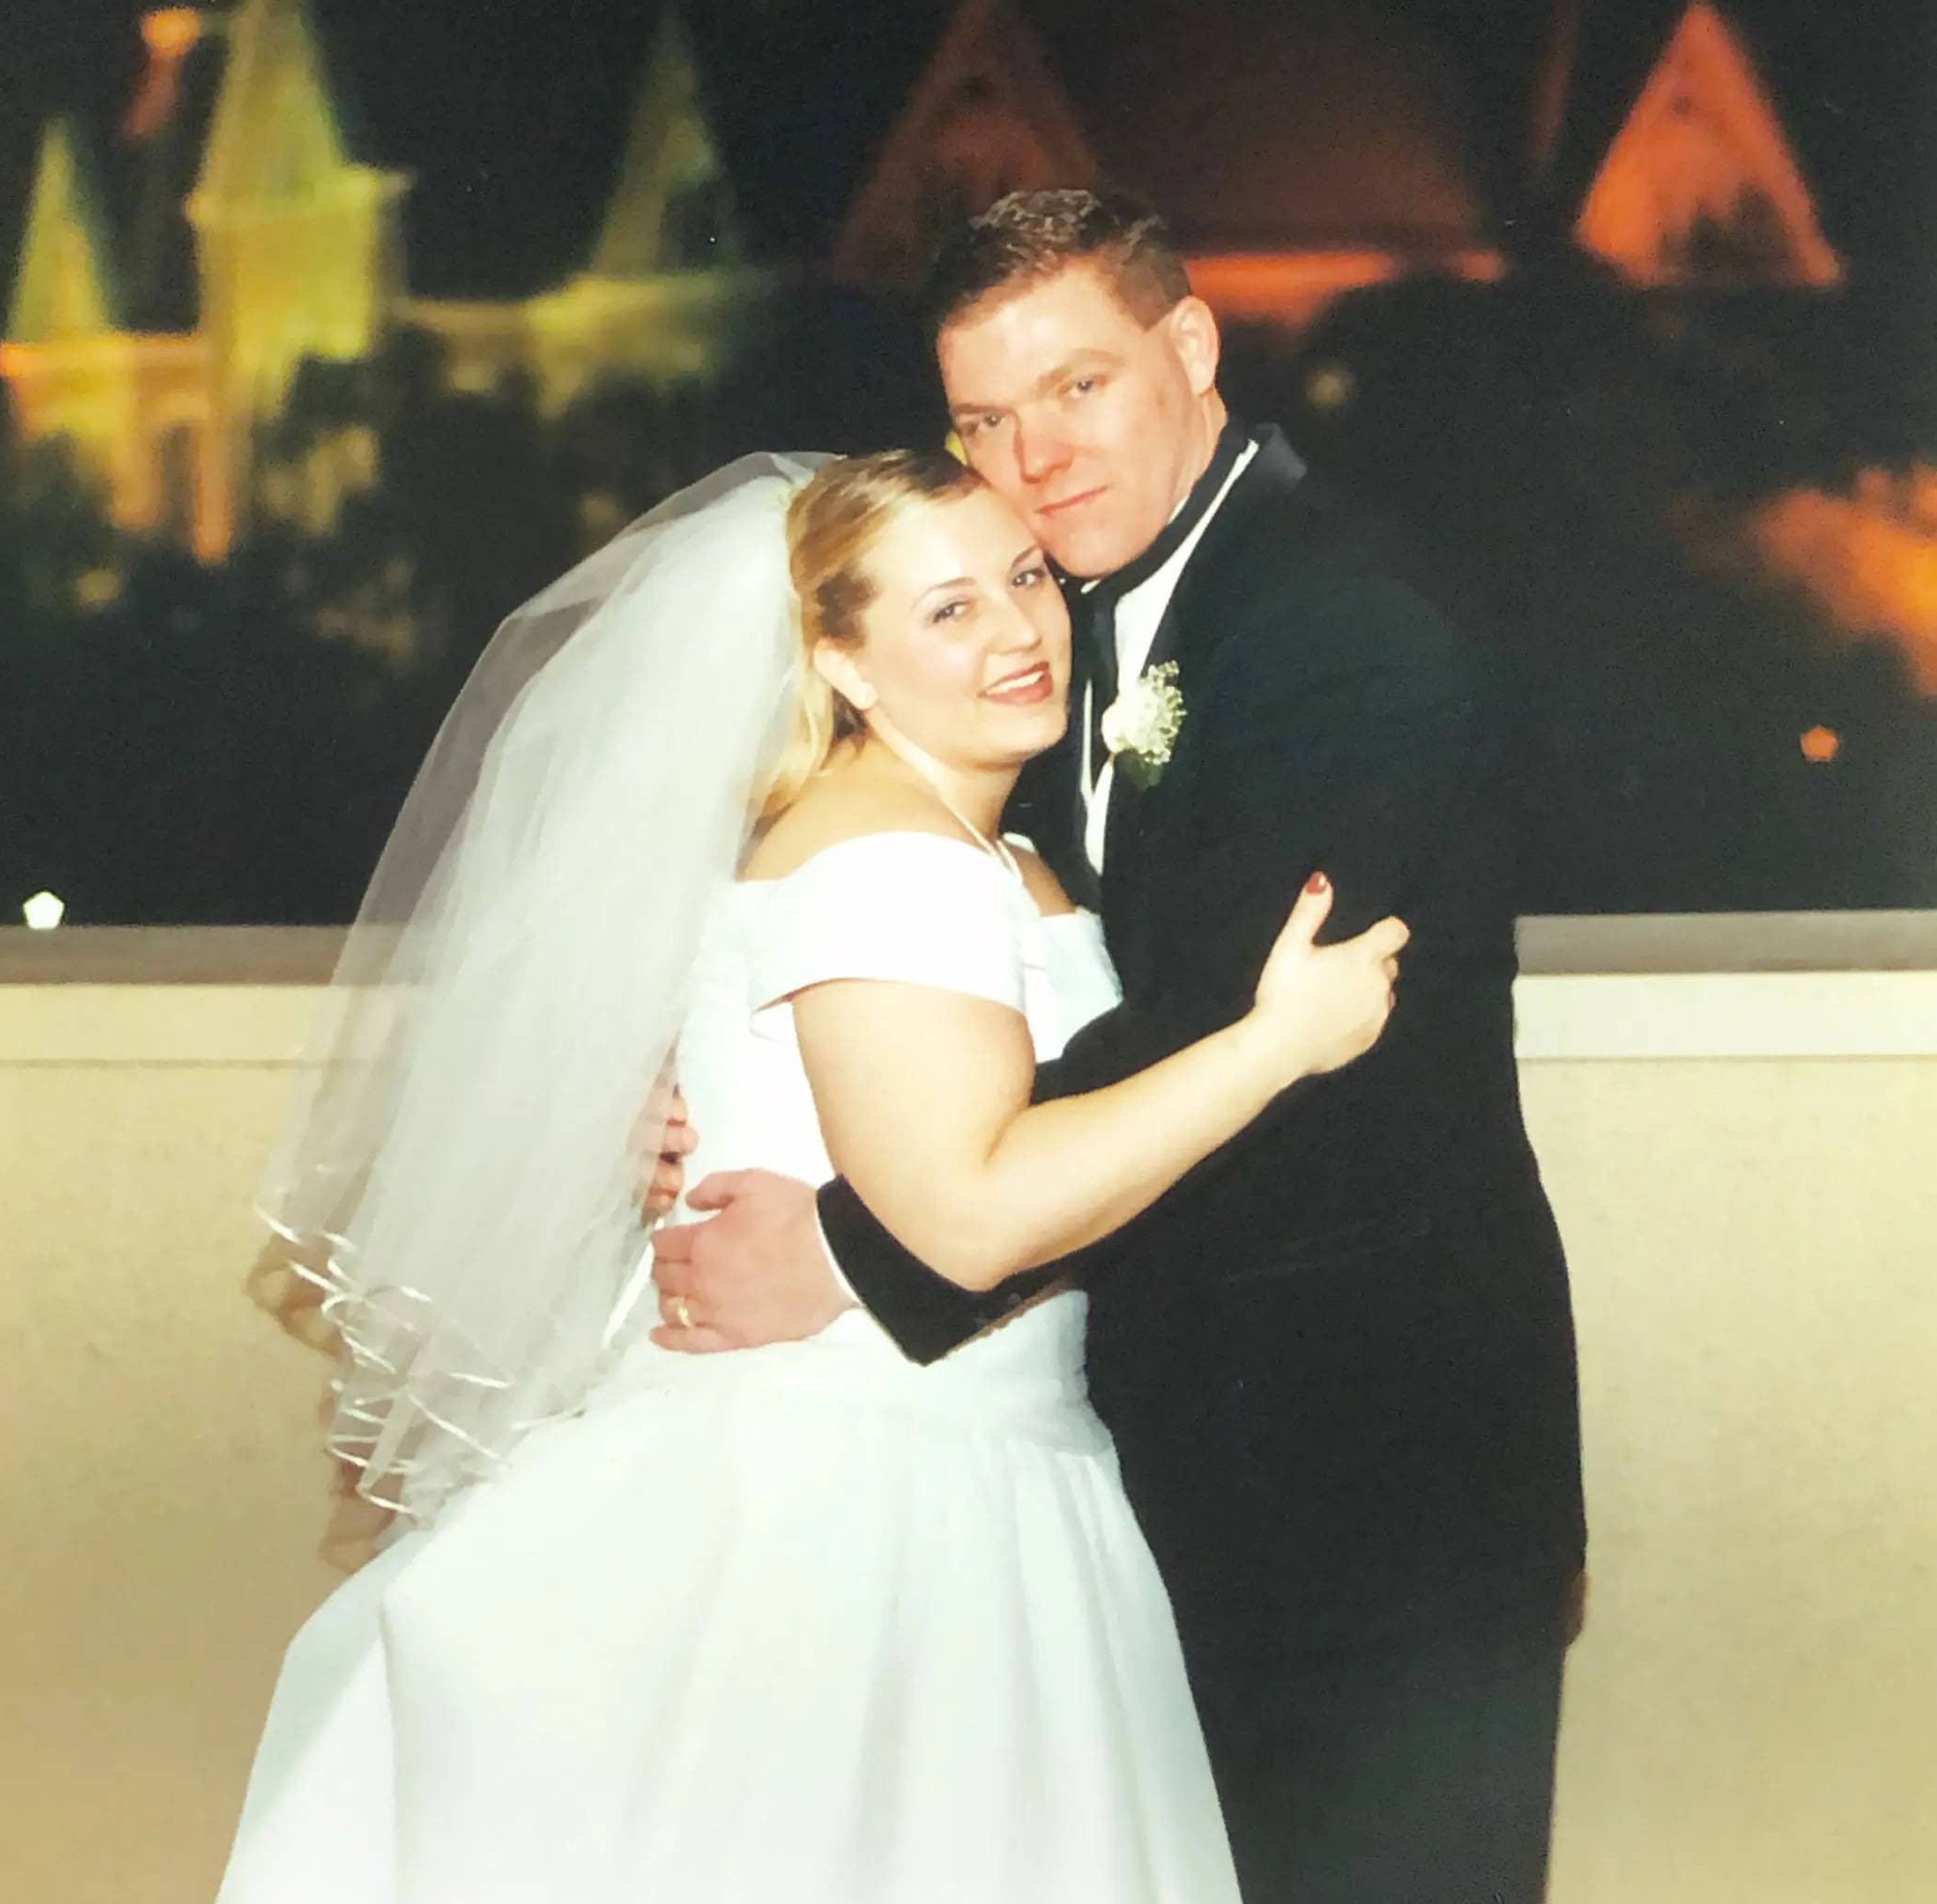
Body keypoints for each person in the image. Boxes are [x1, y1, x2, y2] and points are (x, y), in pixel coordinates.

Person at [218, 448, 1404, 1902]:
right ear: (843, 662)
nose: (1021, 631)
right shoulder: (892, 859)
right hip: (860, 1510)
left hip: (975, 1458)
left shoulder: (991, 854)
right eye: (947, 612)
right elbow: (969, 1215)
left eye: (1024, 579)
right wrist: (1279, 1045)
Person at [651, 192, 1587, 1904]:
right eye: (986, 422)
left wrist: (855, 1250)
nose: (1036, 458)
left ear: (1192, 348)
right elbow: (936, 944)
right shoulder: (1043, 616)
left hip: (1366, 1478)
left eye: (1077, 388)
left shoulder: (1347, 630)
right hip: (1150, 1461)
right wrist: (727, 1083)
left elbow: (1228, 1025)